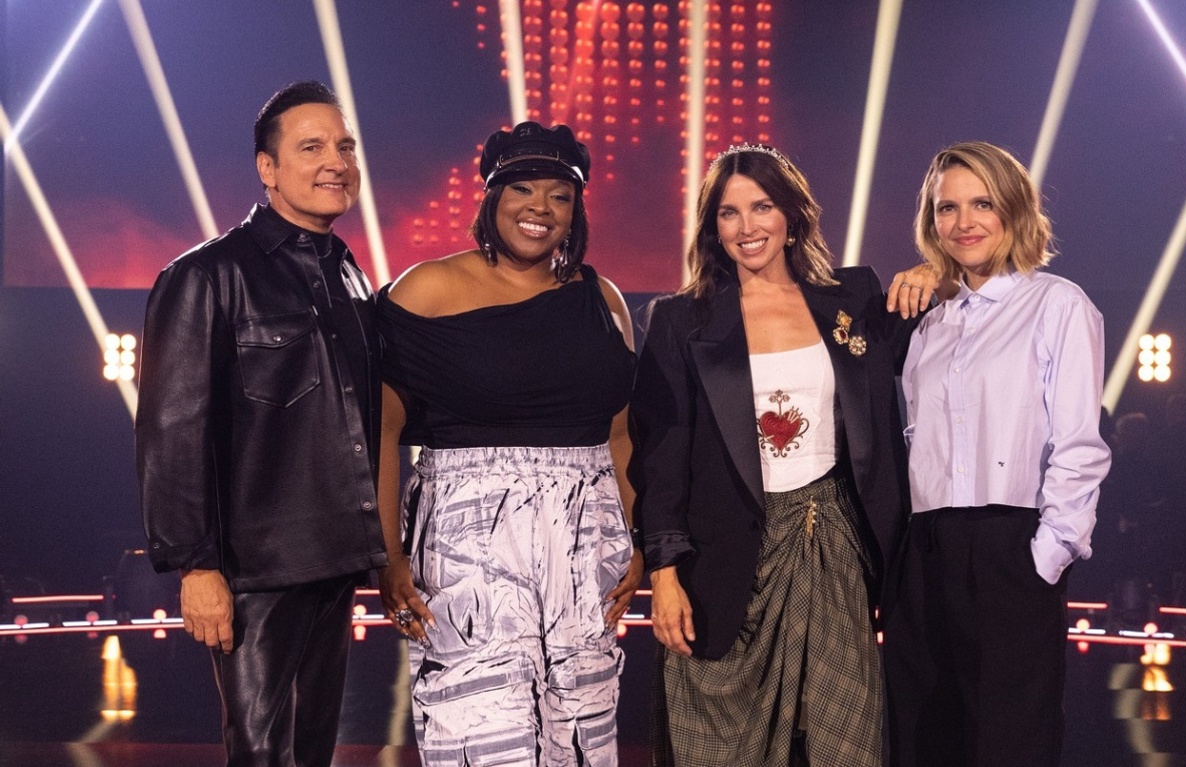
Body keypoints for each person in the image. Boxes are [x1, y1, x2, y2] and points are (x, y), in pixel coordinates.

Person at [632, 144, 917, 767]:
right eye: (729, 214)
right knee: (716, 742)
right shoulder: (680, 321)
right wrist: (664, 572)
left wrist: (934, 274)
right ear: (712, 228)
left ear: (791, 214)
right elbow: (660, 458)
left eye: (761, 207)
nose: (748, 227)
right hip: (723, 559)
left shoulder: (855, 297)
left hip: (833, 548)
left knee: (846, 740)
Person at [135, 80, 387, 767]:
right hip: (257, 571)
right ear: (267, 168)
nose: (335, 160)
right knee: (263, 754)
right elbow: (171, 433)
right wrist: (195, 564)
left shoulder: (350, 275)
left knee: (310, 751)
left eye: (344, 145)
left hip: (336, 559)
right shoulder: (206, 275)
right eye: (311, 147)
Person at [375, 122, 642, 767]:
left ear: (576, 208)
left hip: (586, 550)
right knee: (480, 735)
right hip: (469, 551)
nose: (539, 208)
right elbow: (381, 437)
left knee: (579, 738)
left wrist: (638, 547)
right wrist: (386, 556)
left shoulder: (602, 298)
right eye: (521, 188)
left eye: (559, 195)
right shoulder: (426, 290)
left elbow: (622, 437)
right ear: (490, 198)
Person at [883, 141, 1111, 767]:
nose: (964, 223)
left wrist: (1048, 554)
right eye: (946, 208)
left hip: (1011, 545)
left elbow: (1079, 445)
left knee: (1011, 742)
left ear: (1014, 209)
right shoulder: (929, 321)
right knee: (923, 738)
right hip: (924, 548)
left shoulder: (1058, 304)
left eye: (981, 203)